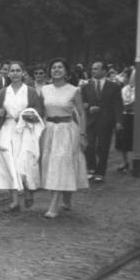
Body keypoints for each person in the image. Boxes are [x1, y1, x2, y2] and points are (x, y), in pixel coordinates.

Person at [0, 61, 45, 212]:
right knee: (9, 162)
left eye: (18, 70)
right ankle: (14, 201)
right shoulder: (2, 92)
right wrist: (0, 114)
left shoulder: (30, 91)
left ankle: (28, 190)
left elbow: (39, 111)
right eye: (12, 71)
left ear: (23, 72)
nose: (15, 73)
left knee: (25, 162)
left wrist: (27, 115)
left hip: (25, 129)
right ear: (8, 73)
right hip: (7, 129)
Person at [40, 58, 89, 218]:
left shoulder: (74, 90)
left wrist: (82, 134)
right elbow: (42, 112)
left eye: (60, 67)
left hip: (67, 130)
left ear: (67, 71)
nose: (57, 70)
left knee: (61, 162)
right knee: (51, 163)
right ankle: (66, 198)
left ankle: (54, 205)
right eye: (54, 67)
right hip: (49, 130)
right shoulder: (45, 90)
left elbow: (81, 113)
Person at [81, 60, 124, 183]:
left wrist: (119, 121)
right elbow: (83, 104)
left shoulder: (114, 86)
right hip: (91, 121)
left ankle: (101, 172)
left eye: (96, 69)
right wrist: (89, 108)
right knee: (88, 146)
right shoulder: (86, 87)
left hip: (106, 121)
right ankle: (91, 168)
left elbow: (118, 105)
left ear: (104, 71)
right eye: (92, 69)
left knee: (103, 147)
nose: (93, 71)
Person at [115, 68, 136, 173]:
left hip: (134, 117)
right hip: (124, 116)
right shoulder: (124, 89)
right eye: (129, 77)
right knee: (122, 141)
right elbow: (122, 103)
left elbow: (135, 104)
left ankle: (133, 164)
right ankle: (125, 162)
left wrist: (128, 106)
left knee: (133, 140)